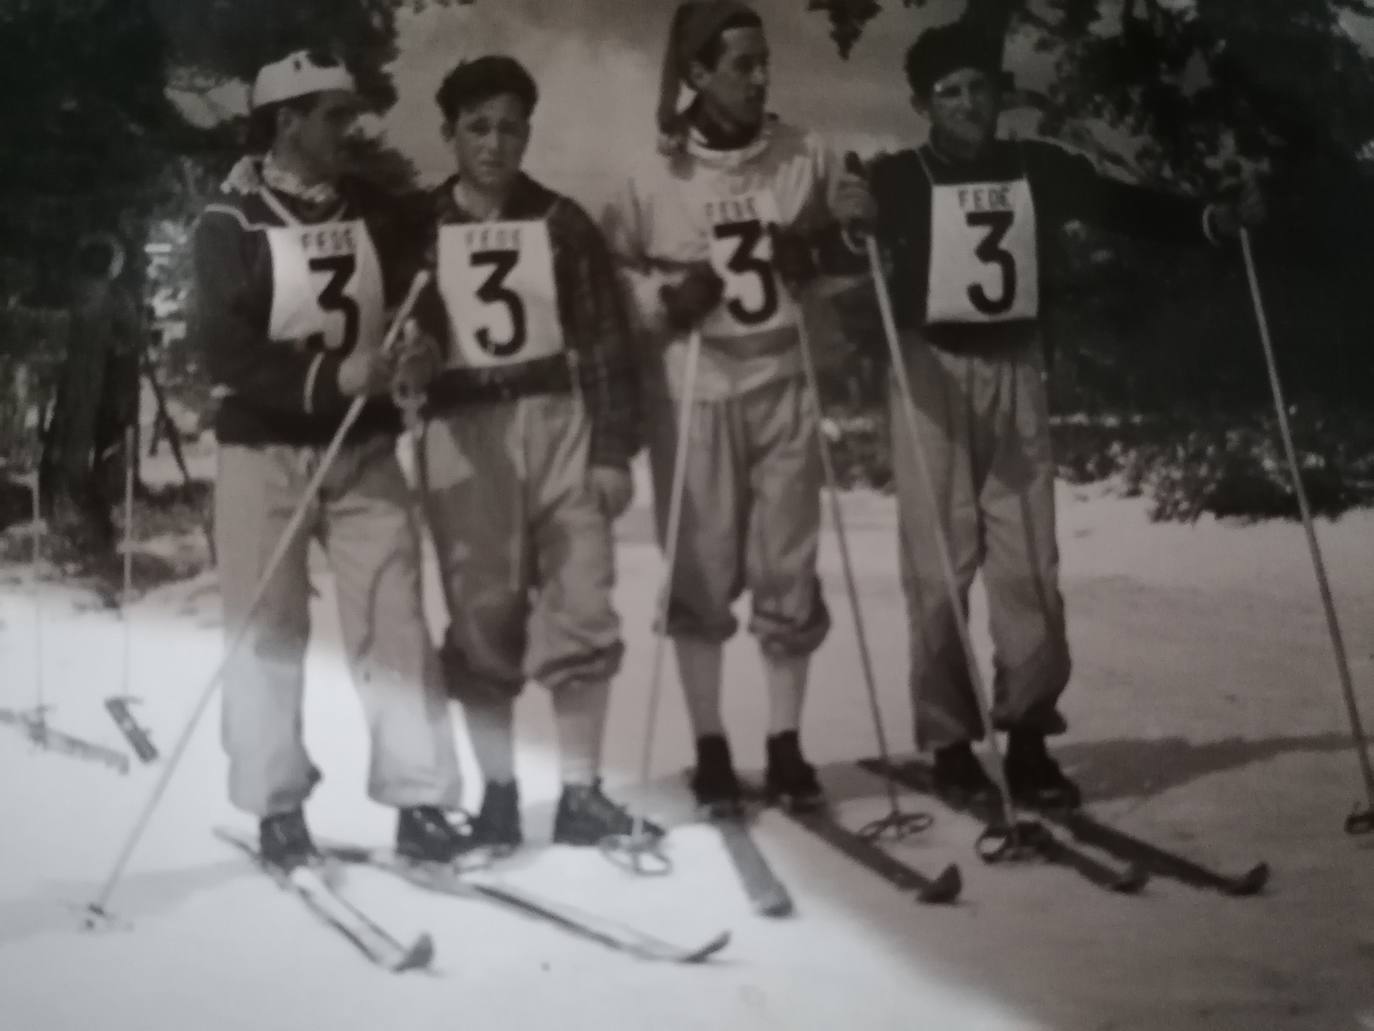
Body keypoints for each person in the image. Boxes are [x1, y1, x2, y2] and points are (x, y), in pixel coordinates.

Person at [863, 21, 1265, 810]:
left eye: (981, 88)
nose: (969, 105)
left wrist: (1210, 221)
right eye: (951, 93)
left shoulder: (1034, 167)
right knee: (940, 564)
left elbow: (1122, 205)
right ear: (922, 104)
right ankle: (949, 740)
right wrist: (843, 220)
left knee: (1029, 565)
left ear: (999, 95)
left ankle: (1028, 739)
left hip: (1015, 367)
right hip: (928, 374)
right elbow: (836, 240)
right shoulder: (899, 176)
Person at [192, 50, 469, 873]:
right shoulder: (228, 220)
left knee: (396, 623)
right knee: (267, 630)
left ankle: (419, 799)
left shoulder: (374, 211)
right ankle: (278, 807)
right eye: (333, 117)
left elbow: (427, 305)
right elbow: (222, 345)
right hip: (263, 453)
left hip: (364, 448)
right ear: (286, 124)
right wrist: (325, 378)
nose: (351, 130)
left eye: (352, 115)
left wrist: (422, 351)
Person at [601, 1, 873, 813]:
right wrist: (663, 298)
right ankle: (710, 747)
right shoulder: (654, 175)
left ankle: (786, 745)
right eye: (740, 65)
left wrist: (827, 245)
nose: (759, 78)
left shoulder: (801, 156)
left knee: (788, 565)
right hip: (693, 389)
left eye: (764, 64)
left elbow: (848, 256)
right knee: (701, 566)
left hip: (782, 379)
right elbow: (612, 280)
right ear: (695, 75)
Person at [413, 56, 661, 851]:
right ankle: (497, 793)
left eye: (511, 126)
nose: (495, 142)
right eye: (478, 126)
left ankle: (582, 792)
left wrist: (615, 450)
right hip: (465, 430)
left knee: (582, 601)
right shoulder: (418, 227)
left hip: (560, 421)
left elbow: (604, 343)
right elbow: (399, 332)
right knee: (483, 613)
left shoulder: (561, 221)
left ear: (528, 133)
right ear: (450, 133)